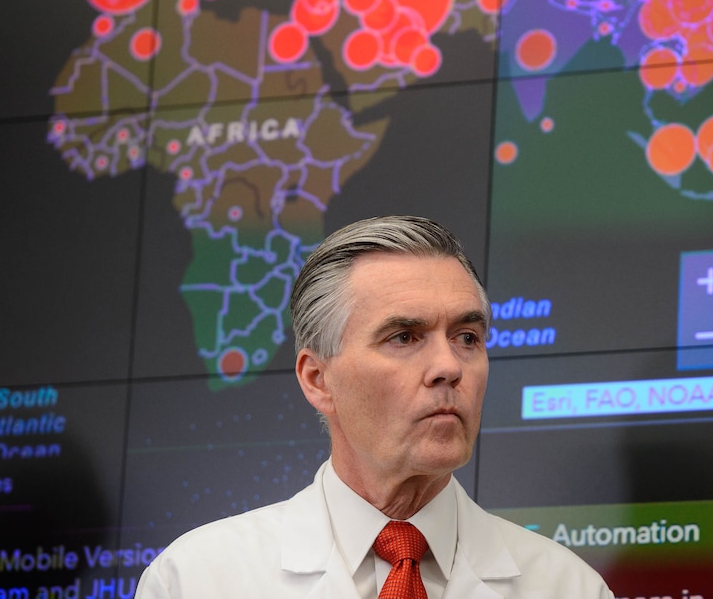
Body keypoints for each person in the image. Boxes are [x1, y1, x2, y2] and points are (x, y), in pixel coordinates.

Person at [135, 216, 613, 598]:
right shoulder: (196, 580)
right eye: (404, 337)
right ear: (318, 379)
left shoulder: (568, 587)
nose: (449, 366)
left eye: (467, 338)